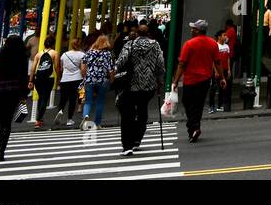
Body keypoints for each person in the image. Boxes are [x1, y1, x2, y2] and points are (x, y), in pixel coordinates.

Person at [114, 19, 164, 156]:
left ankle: (127, 145)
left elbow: (120, 62)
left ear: (137, 32)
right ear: (148, 33)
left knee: (128, 115)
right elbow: (160, 65)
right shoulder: (155, 45)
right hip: (148, 85)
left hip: (131, 84)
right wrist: (160, 82)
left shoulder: (130, 45)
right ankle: (137, 139)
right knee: (142, 112)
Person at [174, 19, 223, 143]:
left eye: (193, 28)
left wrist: (175, 81)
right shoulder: (213, 43)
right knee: (199, 105)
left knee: (188, 103)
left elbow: (182, 64)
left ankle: (193, 128)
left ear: (198, 30)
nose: (191, 30)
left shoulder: (189, 44)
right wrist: (222, 77)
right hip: (205, 79)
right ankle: (195, 127)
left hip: (190, 80)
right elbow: (217, 62)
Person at [79, 34, 114, 129]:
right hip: (102, 80)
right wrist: (112, 79)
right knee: (100, 102)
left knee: (88, 101)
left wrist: (85, 76)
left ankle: (85, 116)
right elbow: (111, 69)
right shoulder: (107, 54)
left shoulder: (90, 52)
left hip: (90, 79)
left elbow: (83, 66)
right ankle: (97, 123)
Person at [55, 36, 85, 127]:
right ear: (80, 44)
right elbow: (83, 69)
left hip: (65, 79)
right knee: (72, 100)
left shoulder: (64, 55)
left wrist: (60, 78)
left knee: (63, 99)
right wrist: (84, 77)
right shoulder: (82, 55)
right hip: (77, 79)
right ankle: (69, 119)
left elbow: (61, 68)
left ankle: (60, 111)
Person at [29, 41, 56, 129]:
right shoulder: (54, 53)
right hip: (49, 78)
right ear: (53, 44)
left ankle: (40, 119)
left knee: (41, 97)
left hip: (38, 78)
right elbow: (57, 67)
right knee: (45, 98)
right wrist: (58, 78)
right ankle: (38, 119)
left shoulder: (38, 54)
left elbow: (33, 69)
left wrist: (30, 80)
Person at [209, 31, 232, 113]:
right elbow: (213, 60)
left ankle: (220, 105)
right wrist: (215, 71)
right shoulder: (215, 46)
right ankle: (211, 106)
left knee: (223, 88)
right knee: (214, 88)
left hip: (225, 70)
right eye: (224, 35)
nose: (225, 37)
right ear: (219, 37)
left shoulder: (227, 46)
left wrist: (229, 69)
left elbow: (228, 59)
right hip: (217, 70)